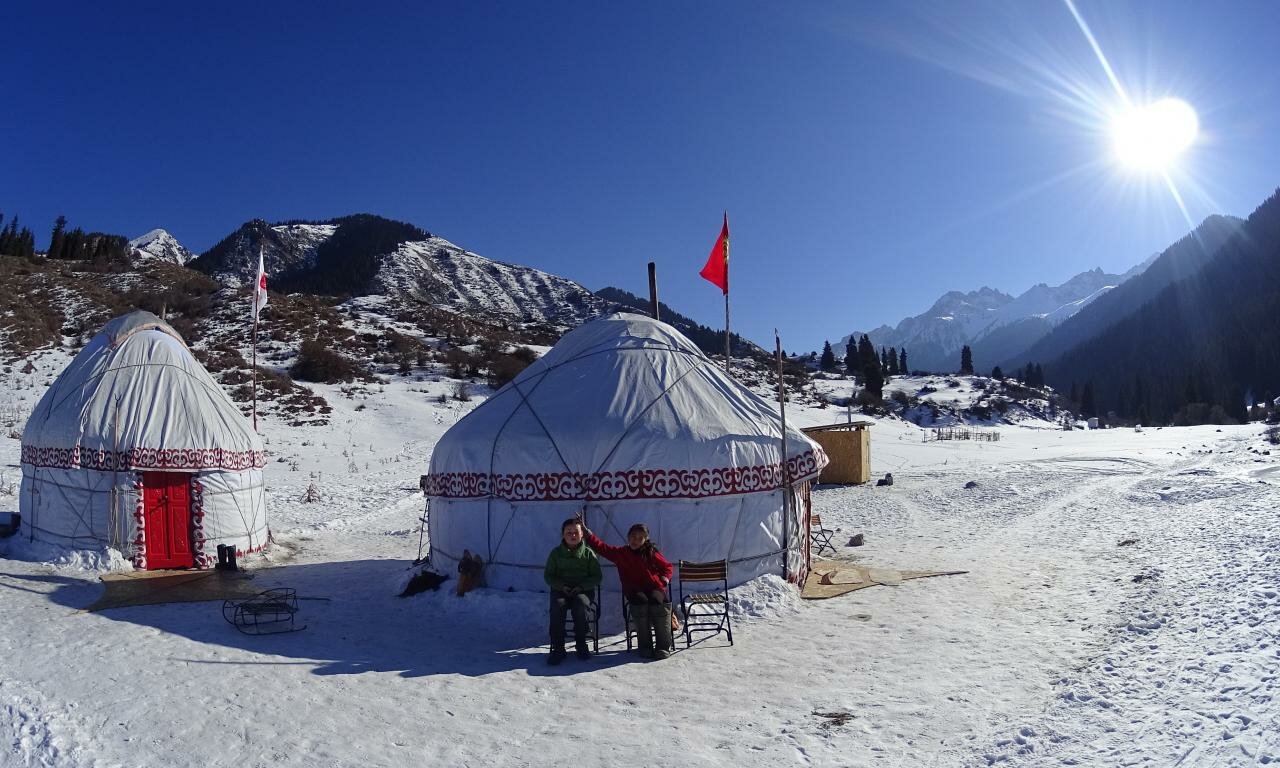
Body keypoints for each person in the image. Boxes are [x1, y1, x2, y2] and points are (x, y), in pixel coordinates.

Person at [582, 519, 675, 660]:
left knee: (658, 601)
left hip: (654, 586)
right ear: (628, 537)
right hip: (634, 589)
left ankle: (663, 647)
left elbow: (667, 566)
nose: (635, 540)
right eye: (633, 537)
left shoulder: (651, 552)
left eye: (639, 538)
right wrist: (587, 534)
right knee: (640, 602)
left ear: (646, 539)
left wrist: (665, 578)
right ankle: (645, 647)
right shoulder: (621, 553)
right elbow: (602, 548)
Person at [543, 517, 602, 665]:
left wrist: (581, 587)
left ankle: (581, 645)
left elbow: (597, 576)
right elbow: (548, 576)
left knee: (580, 605)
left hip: (583, 590)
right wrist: (561, 586)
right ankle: (558, 648)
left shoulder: (588, 554)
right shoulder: (555, 554)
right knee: (557, 606)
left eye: (576, 532)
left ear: (582, 534)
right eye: (568, 532)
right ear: (563, 534)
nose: (572, 535)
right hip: (561, 590)